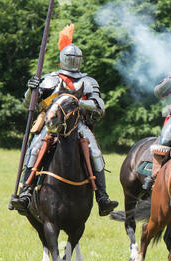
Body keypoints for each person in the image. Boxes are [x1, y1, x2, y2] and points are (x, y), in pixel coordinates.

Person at [10, 25, 118, 217]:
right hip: (52, 125)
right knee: (35, 148)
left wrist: (79, 103)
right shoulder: (49, 79)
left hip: (78, 125)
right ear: (62, 59)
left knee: (95, 152)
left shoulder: (88, 82)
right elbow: (29, 104)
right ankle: (25, 193)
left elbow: (99, 107)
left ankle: (102, 197)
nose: (72, 61)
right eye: (69, 58)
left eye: (75, 59)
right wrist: (30, 89)